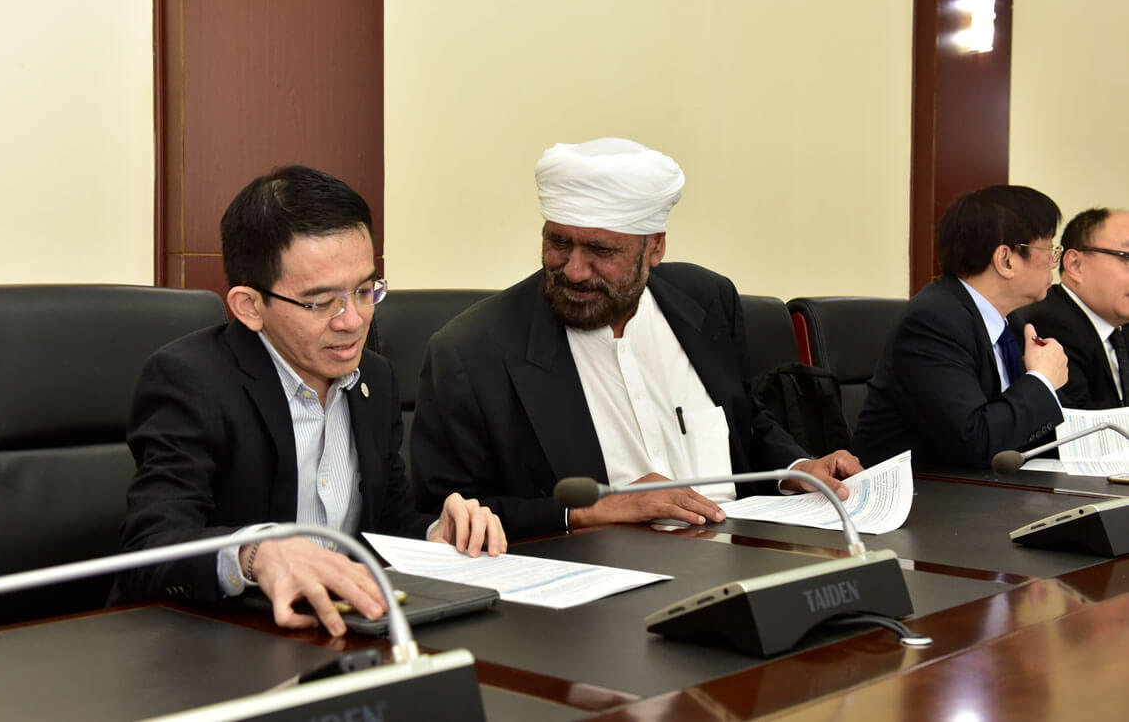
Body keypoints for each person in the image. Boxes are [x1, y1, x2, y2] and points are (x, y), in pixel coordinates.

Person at [110, 165, 505, 635]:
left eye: (364, 291)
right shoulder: (190, 380)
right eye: (320, 303)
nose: (352, 321)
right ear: (249, 307)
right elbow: (149, 548)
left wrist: (435, 534)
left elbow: (384, 524)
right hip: (213, 639)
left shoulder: (373, 378)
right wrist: (254, 554)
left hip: (343, 631)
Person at [411, 137, 861, 540]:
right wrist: (589, 512)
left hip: (741, 548)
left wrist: (798, 468)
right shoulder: (473, 352)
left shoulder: (707, 300)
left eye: (601, 250)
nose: (574, 270)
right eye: (559, 243)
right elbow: (441, 518)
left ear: (655, 248)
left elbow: (742, 419)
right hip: (600, 580)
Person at [851, 184, 1068, 469]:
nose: (1054, 261)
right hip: (923, 489)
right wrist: (1041, 380)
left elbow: (1044, 429)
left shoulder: (1010, 323)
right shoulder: (933, 322)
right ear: (1005, 260)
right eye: (1048, 247)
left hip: (987, 487)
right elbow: (975, 442)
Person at [1020, 208, 1129, 409]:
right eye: (1126, 257)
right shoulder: (1048, 325)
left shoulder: (1119, 325)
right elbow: (1081, 421)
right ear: (1076, 264)